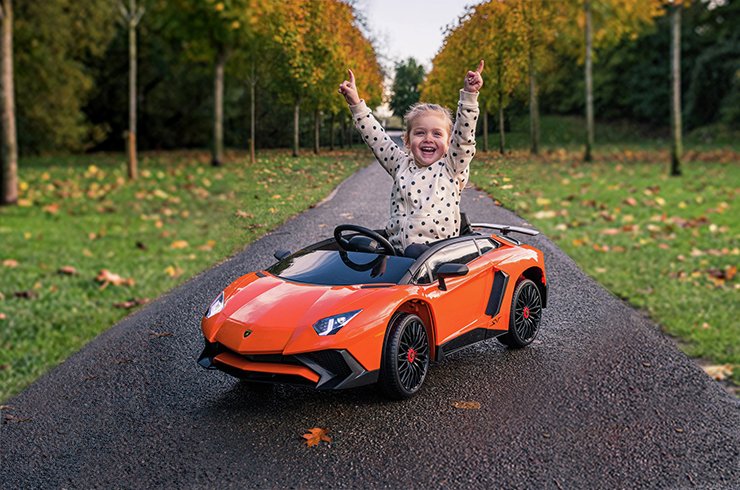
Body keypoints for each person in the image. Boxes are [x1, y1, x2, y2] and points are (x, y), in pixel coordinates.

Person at [338, 61, 484, 255]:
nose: (428, 139)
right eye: (420, 133)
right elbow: (377, 139)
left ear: (450, 143)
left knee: (414, 252)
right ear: (407, 141)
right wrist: (356, 104)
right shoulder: (400, 164)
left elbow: (464, 137)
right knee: (359, 247)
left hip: (436, 255)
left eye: (437, 134)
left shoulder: (451, 167)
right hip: (397, 250)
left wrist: (469, 96)